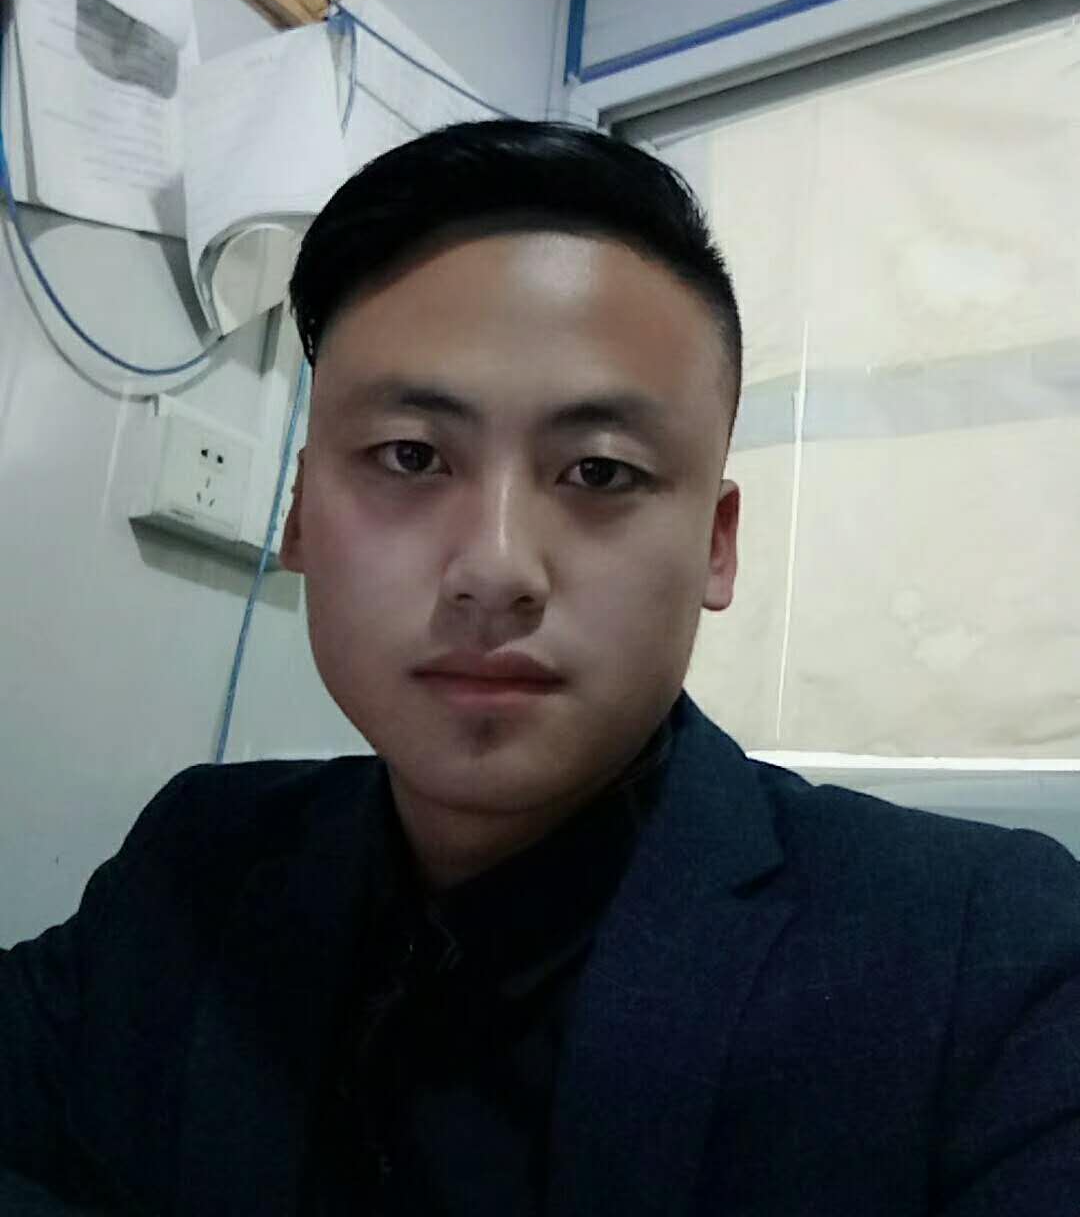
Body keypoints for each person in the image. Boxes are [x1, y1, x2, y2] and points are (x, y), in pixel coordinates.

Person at [2, 120, 1079, 1217]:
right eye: (411, 456)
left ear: (718, 544)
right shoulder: (197, 862)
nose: (496, 569)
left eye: (599, 471)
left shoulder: (984, 961)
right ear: (298, 516)